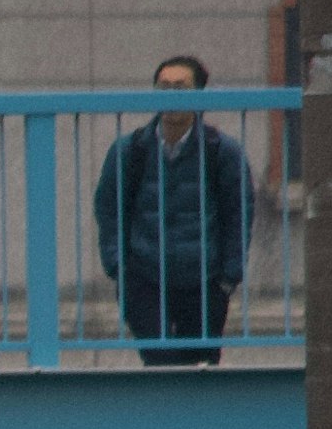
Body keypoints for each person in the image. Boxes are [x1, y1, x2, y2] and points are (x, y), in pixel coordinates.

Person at [90, 53, 251, 366]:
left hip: (205, 279)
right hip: (144, 277)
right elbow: (108, 208)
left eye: (181, 86)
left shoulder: (222, 151)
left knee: (200, 370)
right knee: (160, 366)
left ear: (199, 94)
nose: (171, 94)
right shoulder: (130, 150)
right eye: (163, 86)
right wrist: (118, 267)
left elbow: (239, 212)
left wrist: (229, 277)